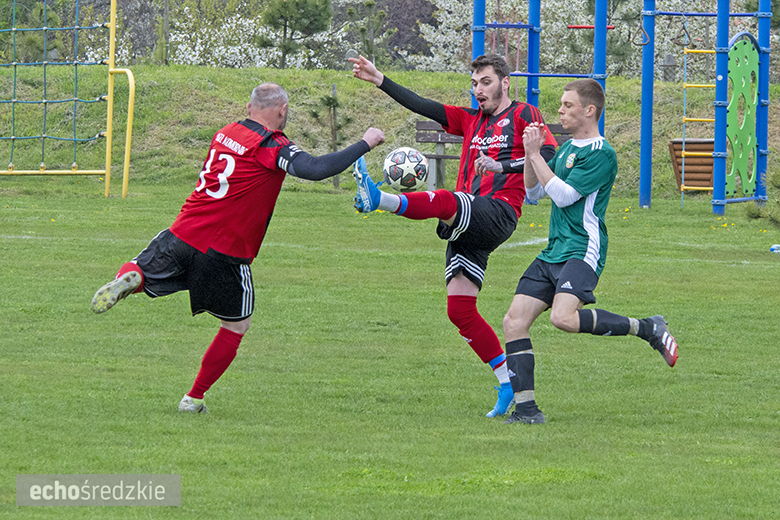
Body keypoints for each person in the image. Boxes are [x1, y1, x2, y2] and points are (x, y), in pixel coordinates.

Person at [90, 83, 385, 413]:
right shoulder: (271, 145)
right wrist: (365, 142)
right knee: (235, 325)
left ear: (249, 109)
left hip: (183, 232)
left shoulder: (226, 131)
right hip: (224, 249)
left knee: (142, 269)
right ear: (282, 111)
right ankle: (193, 398)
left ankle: (131, 279)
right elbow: (314, 169)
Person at [350, 53, 558, 418]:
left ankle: (378, 198)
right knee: (460, 309)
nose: (479, 91)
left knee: (446, 200)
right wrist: (380, 78)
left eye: (486, 82)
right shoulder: (469, 119)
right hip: (469, 219)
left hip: (498, 210)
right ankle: (507, 381)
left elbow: (550, 153)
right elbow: (424, 105)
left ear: (505, 82)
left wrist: (503, 165)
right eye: (475, 84)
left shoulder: (525, 115)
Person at [501, 79, 679, 425]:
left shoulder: (602, 154)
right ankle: (527, 411)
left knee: (562, 318)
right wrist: (528, 156)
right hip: (555, 249)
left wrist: (537, 155)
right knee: (513, 321)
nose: (560, 111)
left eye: (567, 105)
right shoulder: (566, 149)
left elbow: (566, 196)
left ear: (589, 110)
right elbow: (535, 195)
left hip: (583, 249)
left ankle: (647, 328)